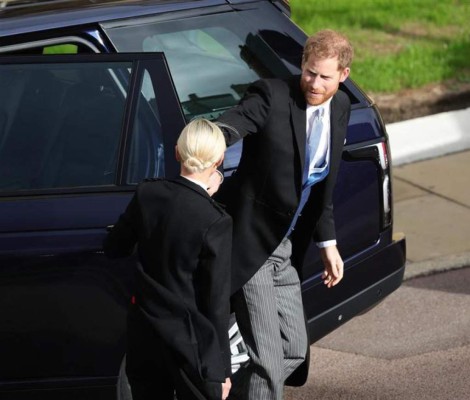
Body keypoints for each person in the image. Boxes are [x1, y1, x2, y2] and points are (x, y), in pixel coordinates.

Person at [214, 29, 353, 399]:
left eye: (325, 76)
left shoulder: (340, 107)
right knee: (268, 363)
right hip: (250, 245)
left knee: (293, 350)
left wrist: (328, 242)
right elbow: (236, 121)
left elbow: (322, 184)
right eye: (309, 72)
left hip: (284, 249)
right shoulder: (272, 96)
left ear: (344, 75)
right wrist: (209, 140)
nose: (314, 83)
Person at [103, 119, 232, 400]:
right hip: (189, 340)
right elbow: (216, 302)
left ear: (176, 152)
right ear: (219, 160)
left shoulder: (148, 194)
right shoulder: (215, 220)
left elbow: (115, 248)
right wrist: (220, 369)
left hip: (144, 328)